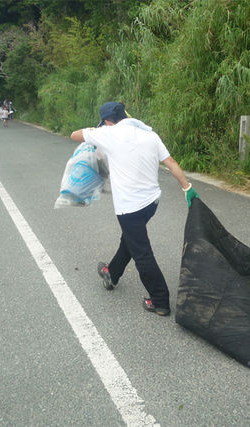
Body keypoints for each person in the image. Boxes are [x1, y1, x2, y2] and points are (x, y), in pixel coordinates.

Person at [70, 101, 199, 316]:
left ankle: (160, 301)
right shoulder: (150, 135)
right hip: (152, 203)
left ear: (108, 121)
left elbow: (75, 135)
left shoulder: (107, 134)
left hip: (129, 208)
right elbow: (171, 162)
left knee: (142, 253)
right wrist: (187, 187)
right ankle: (111, 273)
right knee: (130, 240)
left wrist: (98, 130)